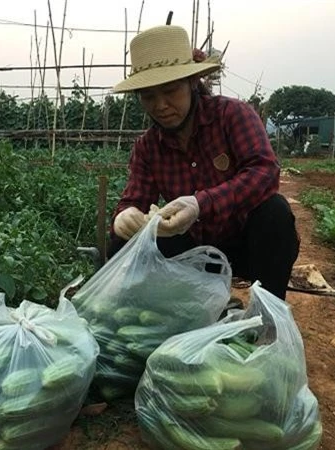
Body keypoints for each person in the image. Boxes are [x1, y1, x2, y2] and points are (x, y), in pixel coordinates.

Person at [107, 24, 300, 300]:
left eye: (170, 91)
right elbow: (134, 200)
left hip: (247, 245)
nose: (160, 105)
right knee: (120, 242)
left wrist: (200, 204)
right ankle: (186, 313)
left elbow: (265, 171)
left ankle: (269, 314)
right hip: (193, 253)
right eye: (149, 96)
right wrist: (125, 217)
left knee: (275, 212)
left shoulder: (231, 116)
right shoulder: (147, 147)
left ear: (192, 83)